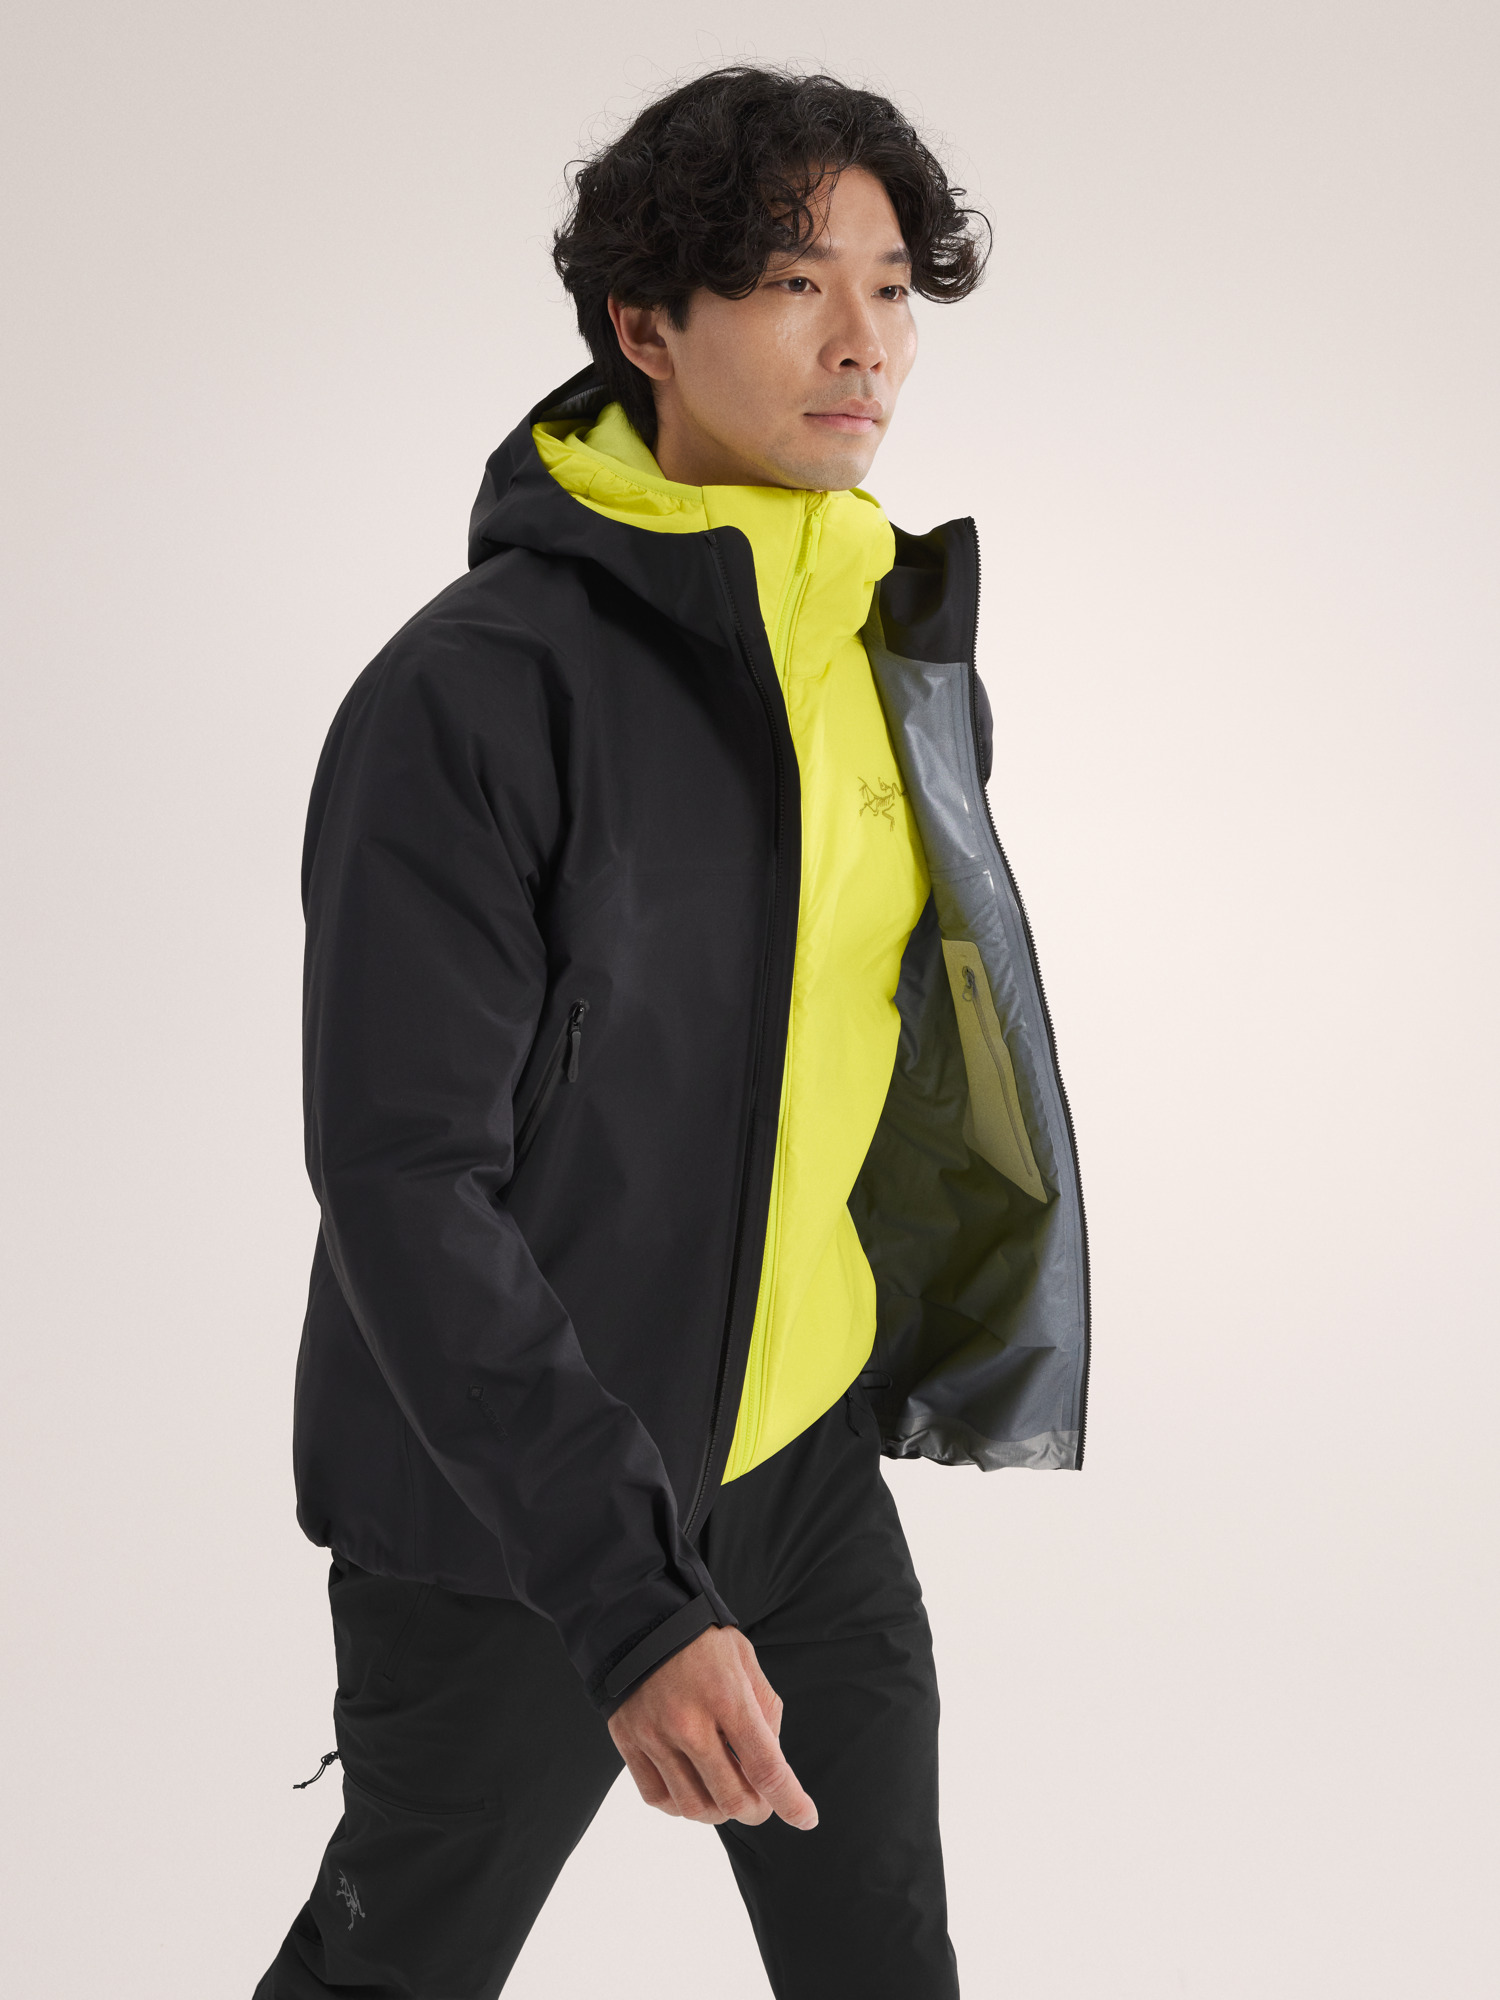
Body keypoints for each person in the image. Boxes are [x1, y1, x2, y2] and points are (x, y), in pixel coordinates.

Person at [255, 64, 1088, 2000]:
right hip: (514, 1511)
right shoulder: (472, 697)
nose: (864, 343)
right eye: (797, 283)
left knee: (885, 1960)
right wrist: (627, 1598)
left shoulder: (887, 650)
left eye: (892, 288)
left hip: (796, 1465)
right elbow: (402, 1180)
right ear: (645, 323)